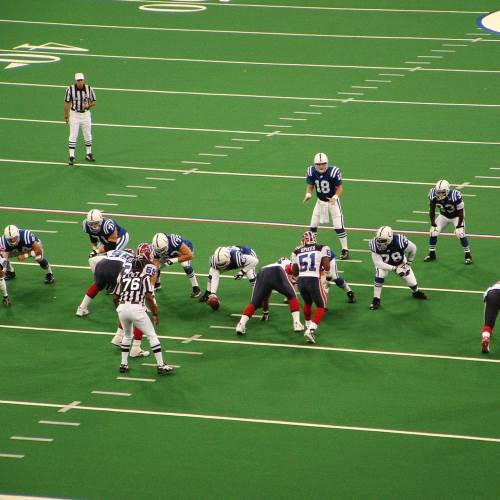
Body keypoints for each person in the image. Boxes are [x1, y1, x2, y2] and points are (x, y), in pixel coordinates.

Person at [113, 256, 174, 375]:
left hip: (122, 308)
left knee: (127, 336)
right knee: (152, 335)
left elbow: (115, 296)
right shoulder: (144, 277)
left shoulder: (124, 277)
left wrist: (119, 309)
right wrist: (155, 313)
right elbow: (148, 297)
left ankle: (123, 364)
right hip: (137, 309)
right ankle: (161, 365)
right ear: (142, 267)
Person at [236, 257, 303, 335]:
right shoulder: (287, 264)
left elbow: (266, 297)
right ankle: (297, 323)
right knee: (292, 296)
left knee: (254, 303)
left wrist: (265, 313)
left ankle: (240, 325)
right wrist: (295, 280)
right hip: (277, 271)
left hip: (262, 272)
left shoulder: (276, 265)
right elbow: (291, 268)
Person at [303, 152, 349, 260]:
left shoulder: (333, 172)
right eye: (319, 164)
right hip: (320, 202)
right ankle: (312, 247)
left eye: (323, 164)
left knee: (338, 226)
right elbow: (310, 186)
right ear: (315, 164)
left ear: (326, 163)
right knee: (313, 225)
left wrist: (335, 197)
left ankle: (345, 249)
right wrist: (308, 194)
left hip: (333, 202)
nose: (321, 166)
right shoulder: (311, 171)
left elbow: (340, 188)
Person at [368, 226, 427, 310]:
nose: (379, 242)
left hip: (400, 263)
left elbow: (413, 248)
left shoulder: (399, 241)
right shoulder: (374, 244)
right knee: (379, 274)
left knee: (412, 283)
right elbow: (378, 263)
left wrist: (408, 263)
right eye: (378, 239)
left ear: (390, 238)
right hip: (384, 264)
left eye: (383, 240)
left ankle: (416, 292)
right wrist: (395, 268)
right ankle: (376, 299)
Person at [291, 231, 331, 344]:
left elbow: (295, 271)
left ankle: (308, 324)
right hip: (313, 279)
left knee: (308, 302)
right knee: (321, 306)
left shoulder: (297, 251)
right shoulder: (322, 247)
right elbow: (327, 266)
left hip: (301, 280)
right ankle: (311, 330)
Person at [424, 179, 472, 265]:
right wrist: (433, 222)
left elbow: (461, 212)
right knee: (433, 232)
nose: (440, 194)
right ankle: (432, 254)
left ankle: (468, 255)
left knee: (460, 233)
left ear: (447, 190)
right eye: (438, 192)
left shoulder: (455, 195)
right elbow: (432, 210)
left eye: (442, 192)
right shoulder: (432, 195)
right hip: (443, 216)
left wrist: (458, 226)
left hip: (456, 216)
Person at [151, 232, 200, 297]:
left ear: (167, 243)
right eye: (159, 251)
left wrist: (174, 260)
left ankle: (196, 287)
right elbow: (155, 267)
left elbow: (190, 255)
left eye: (162, 249)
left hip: (182, 251)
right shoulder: (154, 248)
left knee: (185, 265)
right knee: (155, 267)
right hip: (169, 253)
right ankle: (157, 284)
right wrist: (151, 289)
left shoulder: (174, 242)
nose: (161, 252)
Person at [64, 72, 96, 165]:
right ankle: (71, 156)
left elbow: (94, 102)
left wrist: (88, 106)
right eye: (78, 80)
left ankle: (88, 154)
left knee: (88, 134)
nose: (80, 82)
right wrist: (66, 116)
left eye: (81, 80)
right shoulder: (70, 89)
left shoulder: (89, 89)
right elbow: (66, 103)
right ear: (75, 81)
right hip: (75, 114)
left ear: (84, 80)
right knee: (73, 135)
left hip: (86, 114)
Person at [481, 281, 500, 354]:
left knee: (488, 324)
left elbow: (485, 297)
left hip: (492, 295)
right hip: (492, 294)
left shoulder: (495, 285)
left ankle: (486, 337)